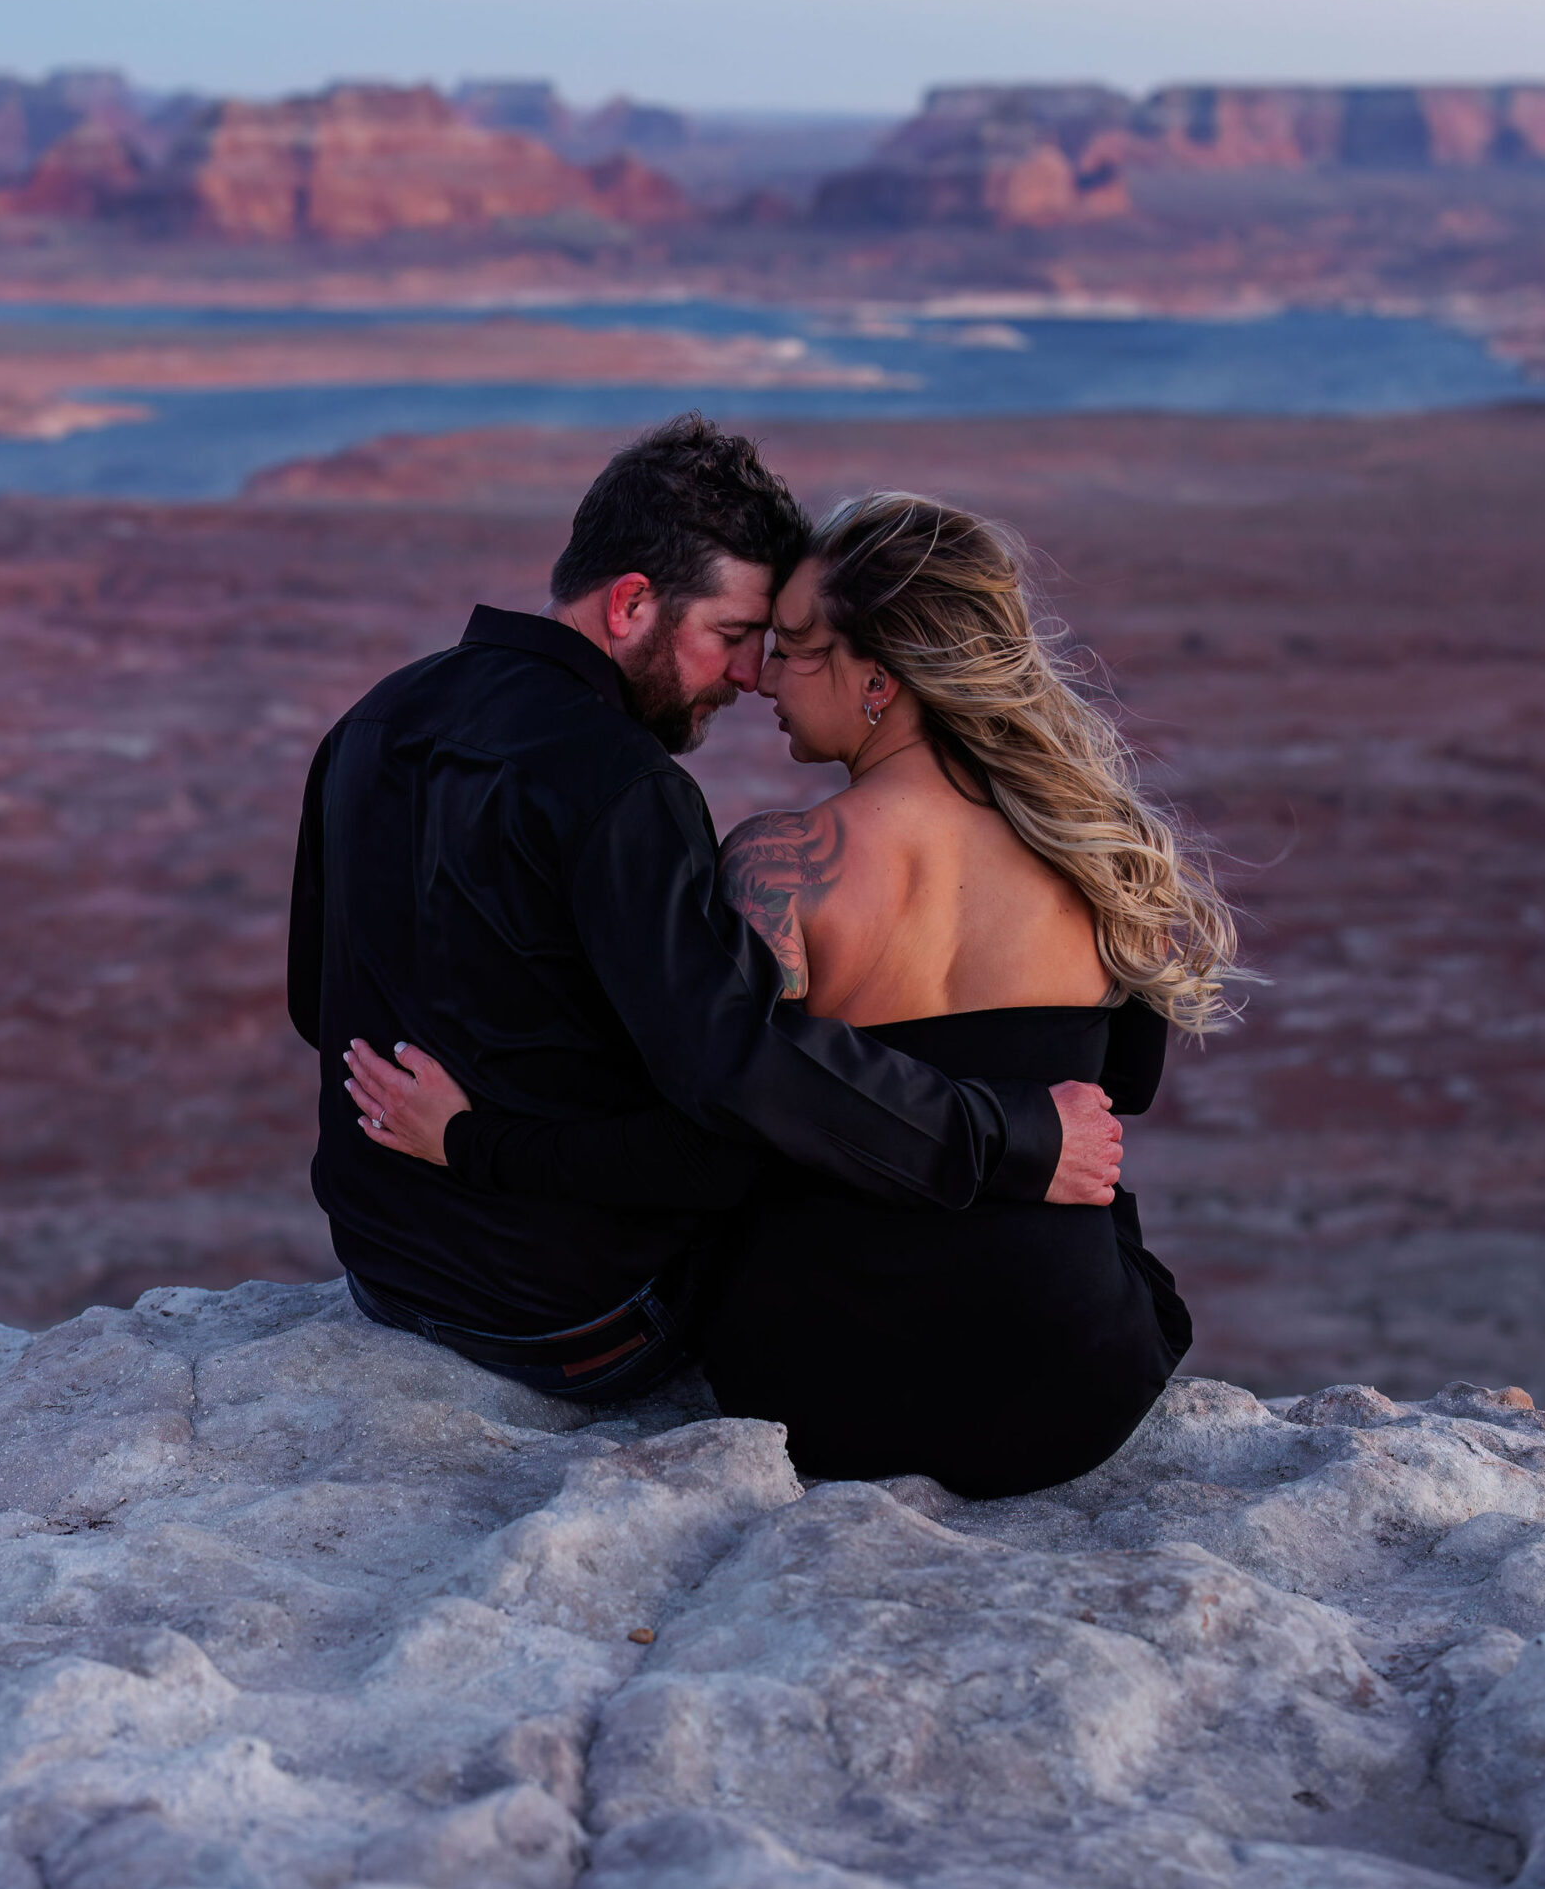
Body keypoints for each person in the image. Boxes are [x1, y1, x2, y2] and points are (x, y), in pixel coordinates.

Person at [344, 480, 1241, 1497]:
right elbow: (1119, 1097)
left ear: (878, 681)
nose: (765, 677)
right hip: (1078, 1384)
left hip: (823, 1387)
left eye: (797, 645)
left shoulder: (778, 864)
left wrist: (475, 1141)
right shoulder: (1103, 855)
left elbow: (713, 1135)